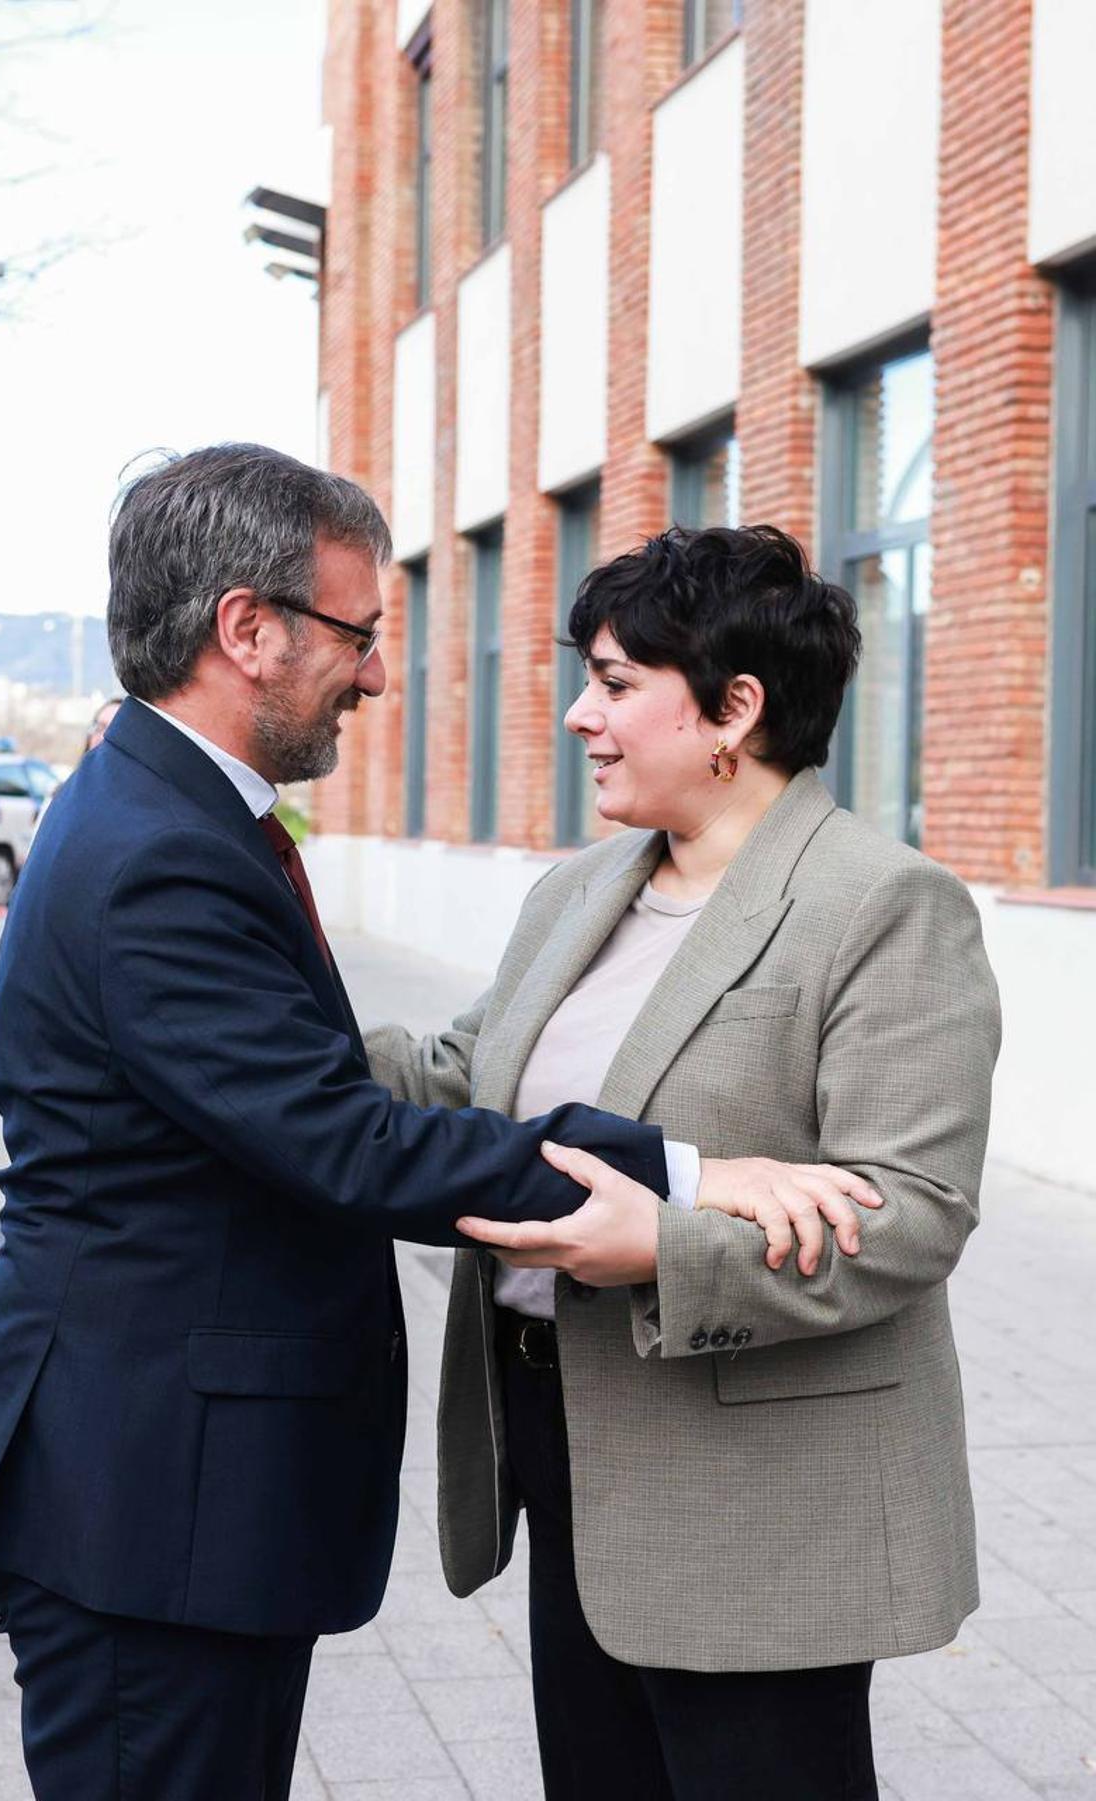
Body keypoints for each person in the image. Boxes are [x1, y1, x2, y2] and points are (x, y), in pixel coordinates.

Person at [0, 453, 863, 1801]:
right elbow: (347, 1144)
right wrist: (692, 1172)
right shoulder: (157, 854)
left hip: (168, 1496)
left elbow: (325, 1089)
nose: (374, 677)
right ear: (247, 630)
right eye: (359, 635)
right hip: (141, 1506)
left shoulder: (166, 813)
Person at [366, 524, 1002, 1801]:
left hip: (759, 1487)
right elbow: (458, 1076)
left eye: (612, 682)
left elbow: (915, 1211)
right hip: (560, 1434)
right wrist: (257, 1011)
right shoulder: (583, 888)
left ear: (735, 709)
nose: (577, 717)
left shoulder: (882, 904)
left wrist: (668, 1243)